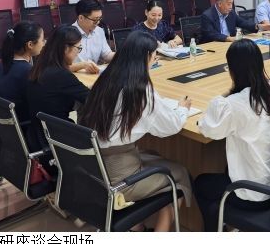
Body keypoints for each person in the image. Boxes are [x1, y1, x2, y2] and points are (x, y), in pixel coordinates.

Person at [78, 31, 192, 232]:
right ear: (147, 56)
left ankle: (136, 227)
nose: (155, 59)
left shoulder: (106, 79)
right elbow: (171, 126)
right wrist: (182, 109)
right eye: (155, 55)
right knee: (180, 174)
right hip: (119, 178)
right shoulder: (140, 90)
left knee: (155, 156)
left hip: (94, 168)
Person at [195, 40, 270, 231]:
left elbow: (209, 130)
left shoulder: (233, 104)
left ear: (231, 70)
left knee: (201, 184)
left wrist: (228, 93)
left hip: (257, 195)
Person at [27, 25, 90, 153]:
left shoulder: (40, 67)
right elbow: (93, 99)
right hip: (58, 143)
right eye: (78, 48)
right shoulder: (61, 75)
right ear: (66, 48)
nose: (78, 52)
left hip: (37, 137)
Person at [0, 21, 45, 123]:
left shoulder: (4, 63)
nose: (44, 43)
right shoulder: (27, 71)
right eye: (42, 40)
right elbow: (40, 104)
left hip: (0, 126)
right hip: (22, 126)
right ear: (30, 44)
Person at [71, 0, 114, 74]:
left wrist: (121, 54)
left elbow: (107, 55)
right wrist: (82, 65)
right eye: (95, 20)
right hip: (75, 77)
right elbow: (60, 67)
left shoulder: (99, 31)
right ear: (81, 18)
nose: (98, 22)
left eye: (100, 19)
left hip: (93, 76)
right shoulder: (68, 34)